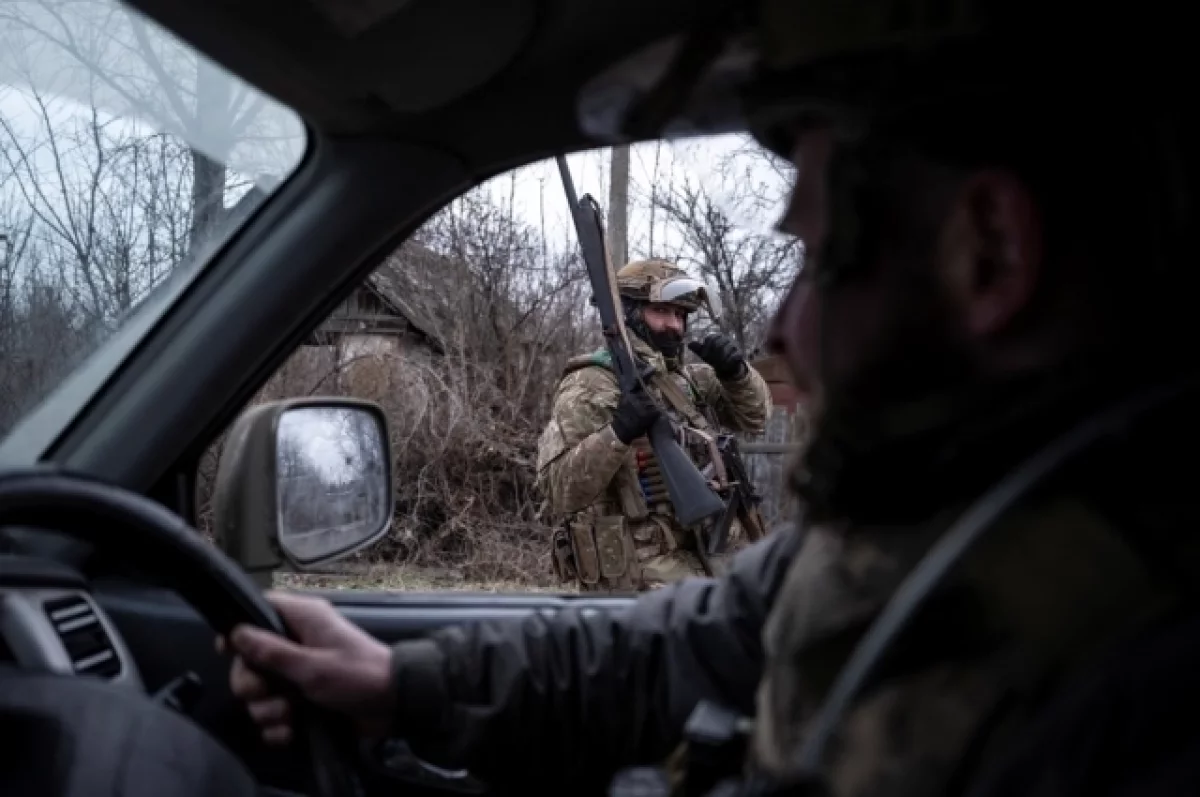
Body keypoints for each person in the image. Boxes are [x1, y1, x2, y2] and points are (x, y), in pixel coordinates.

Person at [222, 3, 1200, 795]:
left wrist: (727, 371)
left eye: (818, 257)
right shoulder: (905, 534)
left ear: (990, 250)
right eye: (671, 310)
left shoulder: (1133, 681)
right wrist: (406, 680)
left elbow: (747, 425)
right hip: (633, 566)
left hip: (685, 553)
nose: (785, 329)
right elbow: (589, 539)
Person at [536, 258, 772, 590]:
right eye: (661, 311)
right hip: (644, 577)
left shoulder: (690, 381)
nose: (673, 325)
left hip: (711, 559)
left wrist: (737, 375)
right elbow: (559, 491)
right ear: (629, 314)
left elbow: (756, 418)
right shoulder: (591, 384)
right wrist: (618, 432)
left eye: (680, 314)